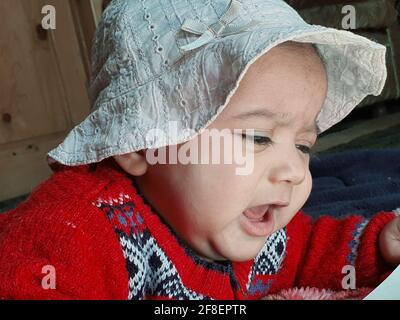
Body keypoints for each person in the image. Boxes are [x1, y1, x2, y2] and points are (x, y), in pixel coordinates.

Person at [0, 0, 399, 299]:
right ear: (142, 144)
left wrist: (378, 244)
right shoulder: (77, 226)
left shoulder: (254, 228)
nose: (294, 171)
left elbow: (309, 249)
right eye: (259, 137)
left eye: (303, 145)